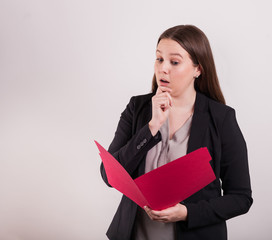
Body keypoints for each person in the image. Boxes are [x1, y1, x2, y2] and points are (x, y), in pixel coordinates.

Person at [100, 25, 253, 240]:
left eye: (174, 62)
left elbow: (240, 197)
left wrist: (187, 213)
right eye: (159, 59)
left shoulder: (221, 119)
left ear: (198, 69)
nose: (163, 68)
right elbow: (109, 175)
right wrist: (152, 126)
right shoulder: (137, 108)